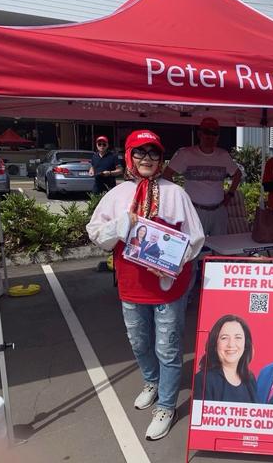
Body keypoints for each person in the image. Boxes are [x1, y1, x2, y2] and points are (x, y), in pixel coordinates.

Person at [86, 130, 205, 441]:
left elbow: (196, 237)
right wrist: (120, 225)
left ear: (161, 158)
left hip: (169, 285)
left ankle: (166, 405)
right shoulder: (117, 194)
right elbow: (96, 233)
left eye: (153, 153)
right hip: (131, 284)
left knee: (168, 347)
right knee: (139, 342)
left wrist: (175, 262)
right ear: (128, 156)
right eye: (139, 152)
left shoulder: (176, 194)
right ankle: (152, 382)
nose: (147, 159)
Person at [163, 117, 242, 236]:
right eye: (207, 132)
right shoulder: (186, 154)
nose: (210, 136)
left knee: (221, 247)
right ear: (200, 134)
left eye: (214, 133)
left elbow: (237, 174)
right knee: (195, 248)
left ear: (218, 136)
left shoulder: (223, 155)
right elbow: (167, 174)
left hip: (218, 211)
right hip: (195, 211)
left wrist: (230, 194)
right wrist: (179, 196)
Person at [193, 314, 257, 403]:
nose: (231, 344)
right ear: (215, 344)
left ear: (245, 344)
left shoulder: (250, 379)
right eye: (224, 338)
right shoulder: (204, 379)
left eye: (238, 337)